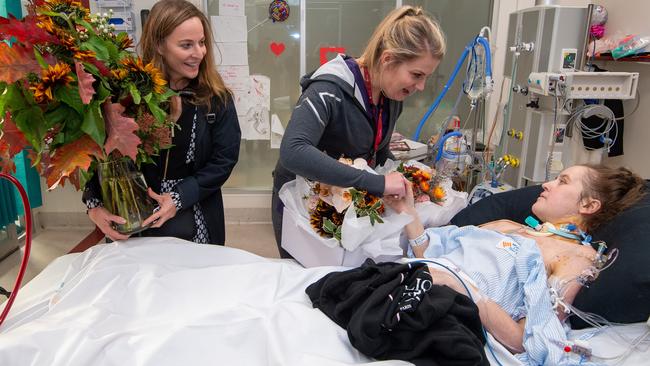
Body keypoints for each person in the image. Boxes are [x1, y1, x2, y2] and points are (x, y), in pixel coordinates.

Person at [384, 164, 645, 364]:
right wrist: (408, 211)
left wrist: (464, 286)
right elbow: (429, 251)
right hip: (407, 280)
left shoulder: (574, 257)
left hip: (444, 312)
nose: (546, 184)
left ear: (588, 204)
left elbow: (525, 340)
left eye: (562, 181)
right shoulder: (507, 226)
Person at [272, 6, 446, 257]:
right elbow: (293, 151)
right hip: (301, 202)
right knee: (306, 284)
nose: (421, 86)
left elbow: (379, 149)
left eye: (426, 77)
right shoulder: (329, 89)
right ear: (387, 60)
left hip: (343, 199)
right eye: (416, 74)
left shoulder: (390, 96)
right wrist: (376, 183)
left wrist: (407, 183)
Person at [83, 0, 241, 245]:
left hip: (194, 218)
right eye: (186, 45)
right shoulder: (126, 96)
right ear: (159, 45)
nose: (199, 53)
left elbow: (223, 162)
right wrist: (93, 204)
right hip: (131, 220)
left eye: (201, 43)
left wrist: (178, 197)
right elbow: (99, 156)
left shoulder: (216, 100)